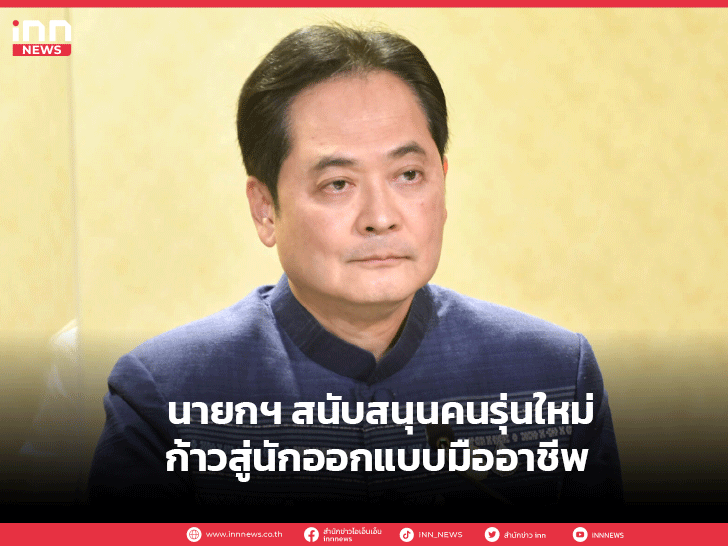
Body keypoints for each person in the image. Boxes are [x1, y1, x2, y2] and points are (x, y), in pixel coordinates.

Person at [89, 24, 622, 518]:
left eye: (408, 175)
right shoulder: (167, 396)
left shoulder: (554, 377)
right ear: (265, 209)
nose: (381, 217)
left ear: (443, 183)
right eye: (338, 184)